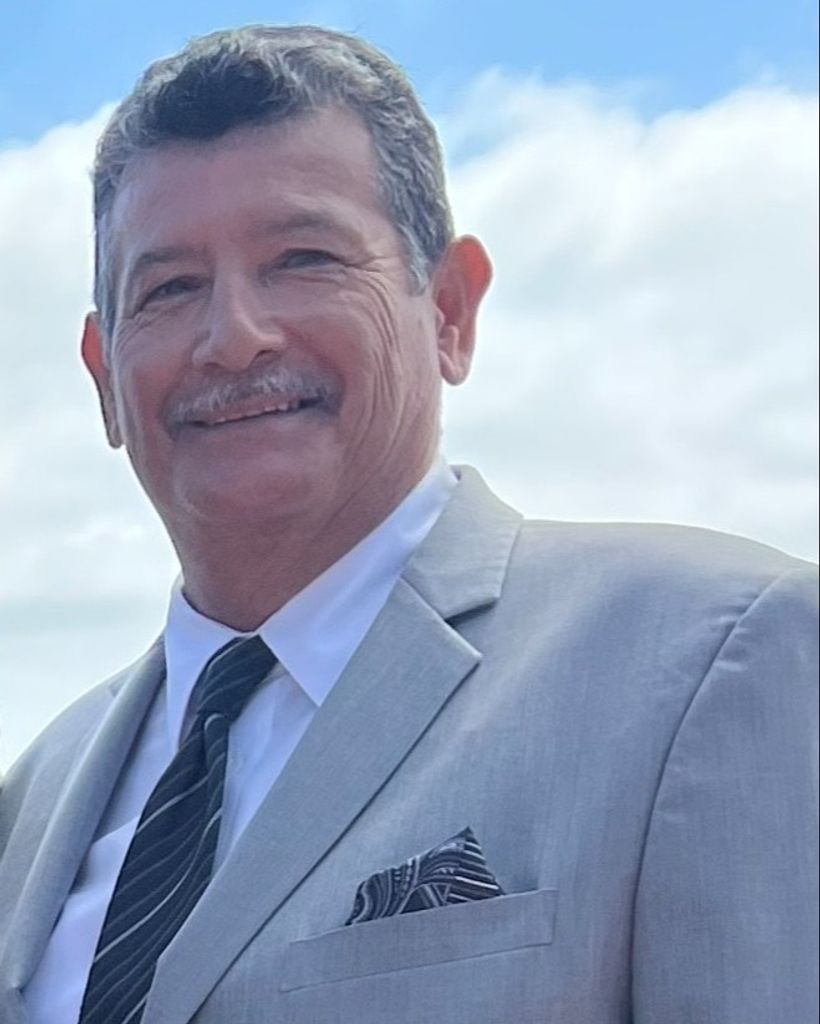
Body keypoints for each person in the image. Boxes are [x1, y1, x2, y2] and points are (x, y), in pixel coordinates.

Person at [0, 24, 816, 1024]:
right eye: (170, 288)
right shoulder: (36, 797)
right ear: (104, 379)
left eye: (303, 259)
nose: (234, 336)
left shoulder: (713, 662)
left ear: (451, 313)